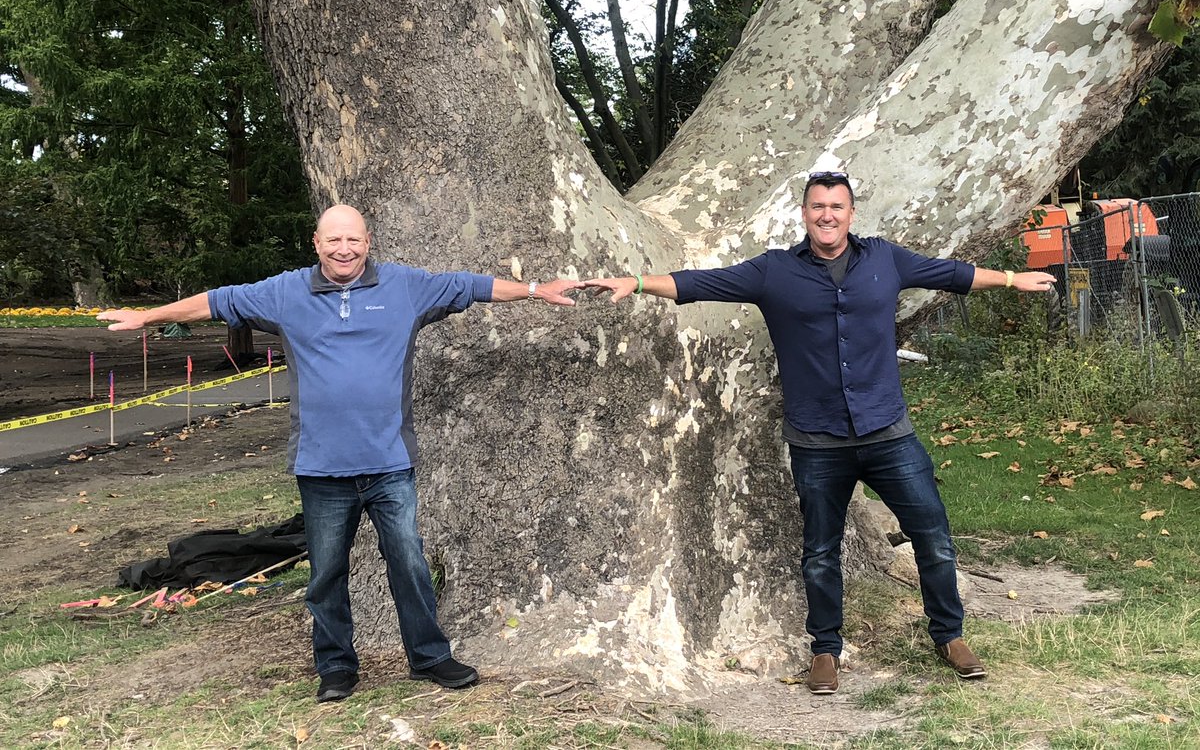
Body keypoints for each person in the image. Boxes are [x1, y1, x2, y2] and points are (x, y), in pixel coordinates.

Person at [584, 171, 1056, 694]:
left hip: (888, 432)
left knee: (934, 538)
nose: (827, 215)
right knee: (820, 553)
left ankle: (950, 635)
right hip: (817, 441)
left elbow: (952, 274)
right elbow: (701, 283)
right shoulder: (774, 271)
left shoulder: (885, 259)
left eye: (836, 206)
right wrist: (638, 283)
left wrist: (1012, 279)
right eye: (817, 206)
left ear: (851, 213)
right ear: (805, 213)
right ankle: (825, 650)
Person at [99, 205, 582, 702]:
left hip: (389, 464)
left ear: (368, 242)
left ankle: (430, 657)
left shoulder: (405, 287)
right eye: (333, 240)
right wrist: (148, 316)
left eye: (353, 240)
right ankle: (335, 667)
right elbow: (217, 301)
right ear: (316, 243)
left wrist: (535, 290)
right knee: (326, 574)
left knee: (410, 565)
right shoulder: (285, 293)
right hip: (321, 467)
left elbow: (468, 286)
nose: (344, 249)